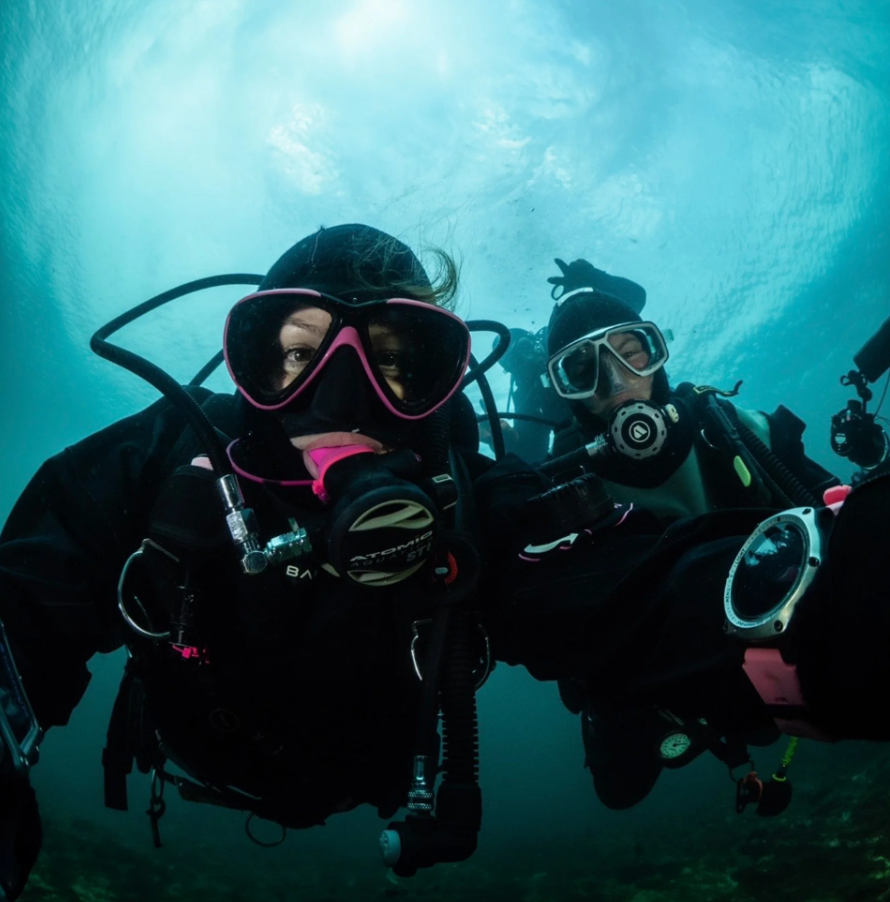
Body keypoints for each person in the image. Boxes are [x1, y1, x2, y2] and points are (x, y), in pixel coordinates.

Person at [2, 226, 890, 899]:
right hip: (194, 756)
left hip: (370, 775)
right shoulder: (164, 459)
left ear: (442, 382)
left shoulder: (480, 500)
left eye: (400, 363)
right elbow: (31, 588)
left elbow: (643, 589)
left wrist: (848, 599)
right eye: (301, 355)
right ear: (249, 368)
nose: (346, 398)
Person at [542, 257, 840, 812]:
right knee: (620, 788)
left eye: (632, 353)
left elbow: (833, 512)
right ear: (564, 393)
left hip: (762, 651)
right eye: (581, 371)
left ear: (658, 356)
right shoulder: (560, 490)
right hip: (656, 689)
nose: (616, 383)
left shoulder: (736, 430)